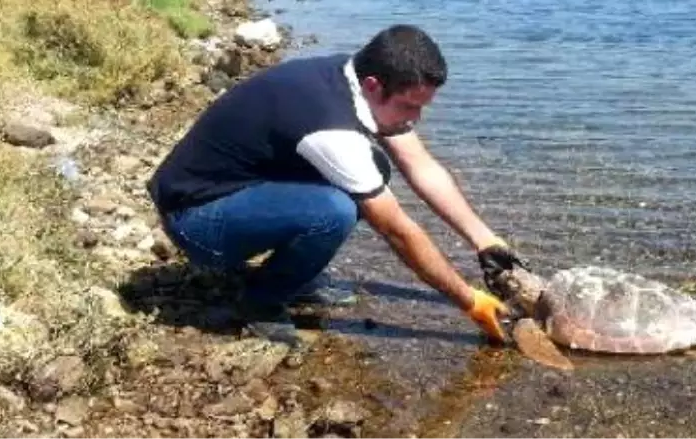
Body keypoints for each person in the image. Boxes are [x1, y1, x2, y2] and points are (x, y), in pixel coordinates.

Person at [145, 24, 529, 346]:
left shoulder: (354, 81)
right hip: (196, 221)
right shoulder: (330, 127)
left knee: (372, 168)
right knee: (336, 209)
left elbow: (421, 165)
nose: (417, 118)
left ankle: (295, 275)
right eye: (411, 106)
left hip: (239, 189)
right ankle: (261, 301)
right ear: (375, 85)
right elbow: (397, 230)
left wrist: (485, 241)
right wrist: (469, 302)